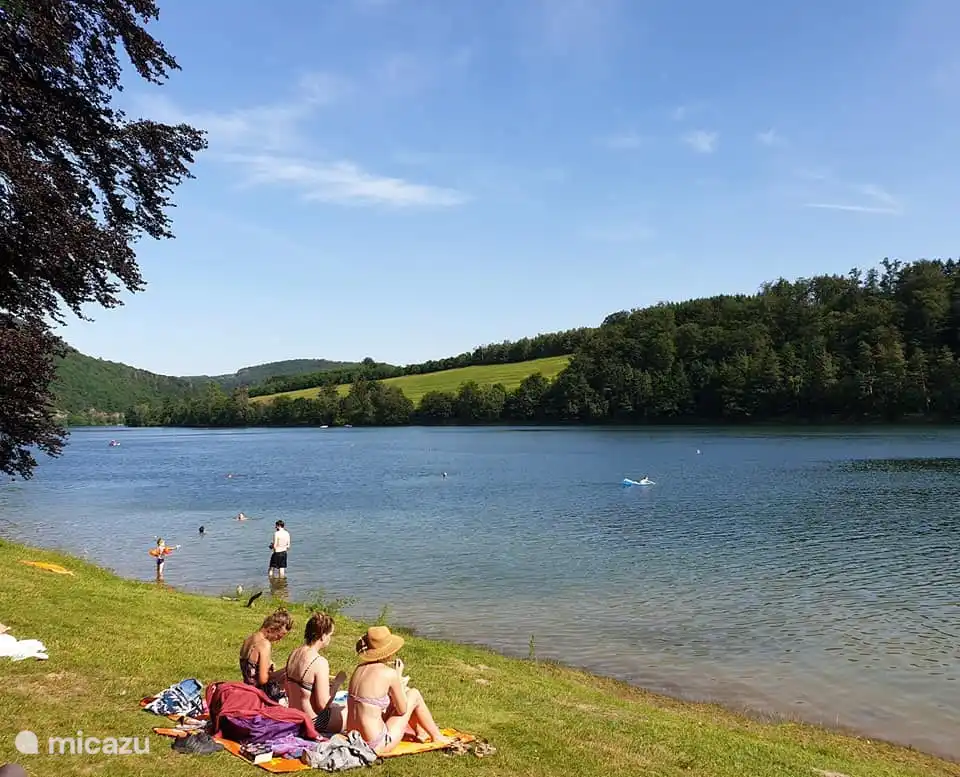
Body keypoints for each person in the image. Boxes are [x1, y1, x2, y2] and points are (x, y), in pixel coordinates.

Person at [346, 626, 451, 755]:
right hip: (375, 744)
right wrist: (398, 675)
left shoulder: (359, 670)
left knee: (405, 693)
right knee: (414, 694)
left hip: (353, 739)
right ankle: (437, 736)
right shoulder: (388, 673)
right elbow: (402, 710)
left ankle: (420, 732)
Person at [285, 613, 347, 734]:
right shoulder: (319, 662)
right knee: (352, 711)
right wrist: (337, 683)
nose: (330, 638)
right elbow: (322, 705)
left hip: (294, 715)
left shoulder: (294, 653)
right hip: (313, 722)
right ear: (323, 636)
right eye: (330, 635)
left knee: (337, 706)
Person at [240, 608, 293, 701]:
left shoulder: (249, 639)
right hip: (260, 694)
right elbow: (263, 680)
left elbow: (250, 669)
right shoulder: (264, 644)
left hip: (247, 688)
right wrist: (284, 671)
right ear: (271, 629)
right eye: (279, 636)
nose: (279, 640)